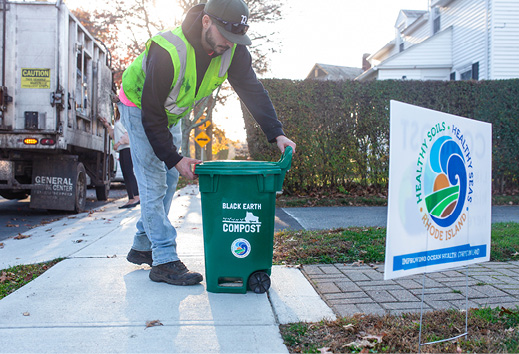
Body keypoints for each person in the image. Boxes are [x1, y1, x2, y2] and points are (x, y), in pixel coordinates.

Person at [118, 0, 296, 286]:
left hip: (170, 112)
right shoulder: (167, 50)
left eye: (237, 38)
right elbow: (151, 116)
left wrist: (277, 133)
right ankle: (163, 259)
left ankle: (142, 245)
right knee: (155, 181)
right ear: (206, 21)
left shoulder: (233, 49)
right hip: (140, 105)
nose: (230, 43)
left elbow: (251, 89)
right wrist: (175, 157)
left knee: (169, 176)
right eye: (226, 35)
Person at [99, 107, 140, 209]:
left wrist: (119, 143)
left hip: (128, 148)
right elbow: (115, 135)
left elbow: (128, 133)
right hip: (122, 148)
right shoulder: (119, 119)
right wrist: (108, 125)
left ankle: (137, 197)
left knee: (129, 172)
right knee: (126, 174)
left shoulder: (126, 118)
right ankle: (131, 198)